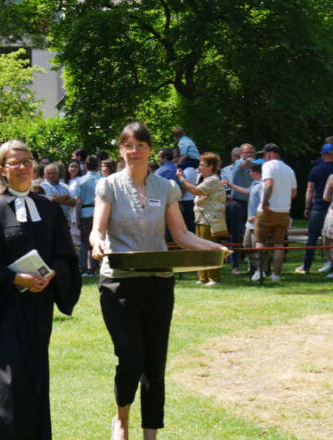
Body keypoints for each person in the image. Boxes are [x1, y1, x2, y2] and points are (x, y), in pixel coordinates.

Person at [91, 122, 224, 440]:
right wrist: (97, 244)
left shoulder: (165, 188)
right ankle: (121, 419)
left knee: (155, 362)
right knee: (130, 358)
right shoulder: (108, 186)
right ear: (121, 150)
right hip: (119, 282)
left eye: (140, 145)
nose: (134, 151)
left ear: (150, 149)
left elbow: (181, 234)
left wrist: (215, 248)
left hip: (158, 283)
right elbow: (98, 229)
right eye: (128, 145)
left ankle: (151, 432)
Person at [0, 140, 81, 440]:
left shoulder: (48, 208)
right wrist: (16, 279)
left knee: (34, 382)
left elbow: (65, 255)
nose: (22, 167)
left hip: (36, 312)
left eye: (27, 161)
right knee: (5, 386)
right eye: (14, 162)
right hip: (2, 313)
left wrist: (53, 273)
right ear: (2, 170)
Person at [178, 152, 226, 285]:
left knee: (209, 249)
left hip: (209, 220)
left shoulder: (212, 180)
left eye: (202, 165)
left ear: (211, 167)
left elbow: (195, 191)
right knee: (200, 248)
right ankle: (203, 277)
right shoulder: (206, 180)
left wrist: (182, 179)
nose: (199, 168)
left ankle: (213, 278)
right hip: (201, 219)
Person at [252, 143, 297, 282]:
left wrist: (265, 203)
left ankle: (260, 272)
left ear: (270, 154)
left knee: (260, 241)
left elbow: (268, 184)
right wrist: (282, 200)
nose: (264, 159)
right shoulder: (289, 170)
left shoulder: (268, 166)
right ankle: (276, 275)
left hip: (267, 210)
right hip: (284, 211)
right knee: (279, 244)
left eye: (265, 155)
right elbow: (294, 193)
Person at [294, 144, 333, 274]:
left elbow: (310, 190)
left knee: (312, 237)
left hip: (318, 206)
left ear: (323, 155)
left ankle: (306, 266)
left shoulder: (316, 170)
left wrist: (307, 207)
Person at [227, 143, 256, 274]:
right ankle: (235, 266)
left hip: (251, 204)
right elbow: (243, 164)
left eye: (252, 152)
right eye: (247, 152)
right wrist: (248, 161)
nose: (250, 155)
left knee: (251, 234)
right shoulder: (239, 163)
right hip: (238, 204)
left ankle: (252, 265)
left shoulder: (256, 167)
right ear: (241, 154)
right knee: (236, 236)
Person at [76, 155, 102, 276]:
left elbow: (78, 201)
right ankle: (93, 267)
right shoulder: (101, 179)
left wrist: (77, 218)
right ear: (97, 165)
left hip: (85, 212)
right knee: (96, 240)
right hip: (98, 212)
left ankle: (83, 268)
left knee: (84, 242)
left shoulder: (81, 181)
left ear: (85, 166)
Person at [178, 163, 198, 233]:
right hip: (190, 200)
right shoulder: (192, 170)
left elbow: (184, 187)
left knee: (188, 226)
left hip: (186, 201)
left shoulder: (188, 170)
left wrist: (178, 196)